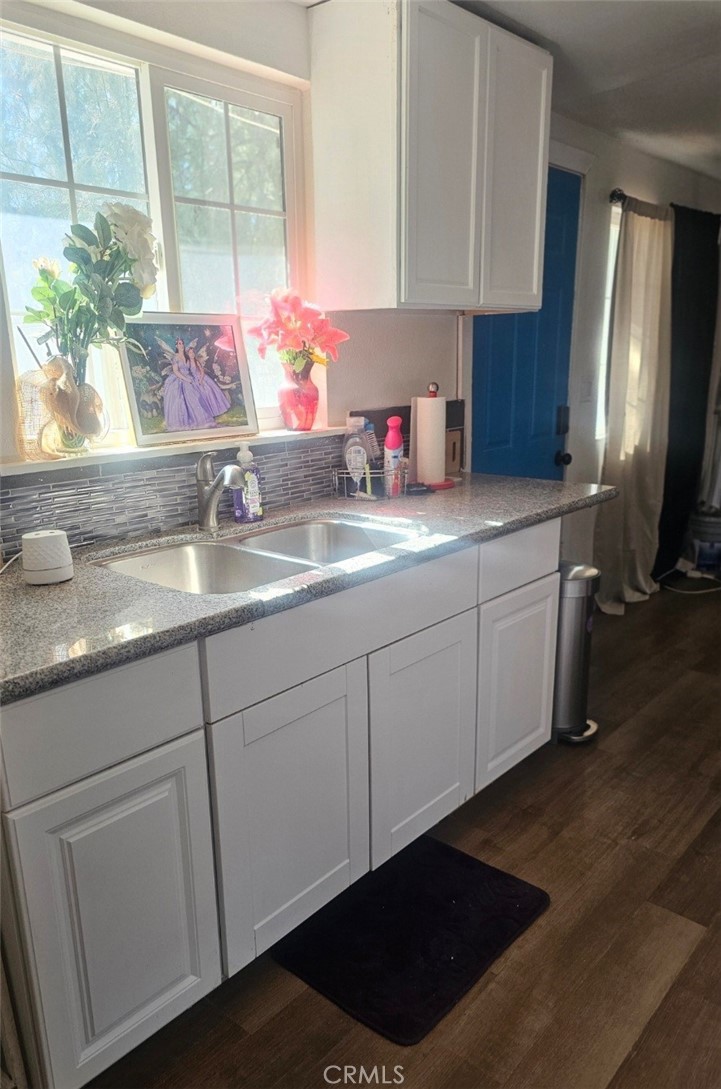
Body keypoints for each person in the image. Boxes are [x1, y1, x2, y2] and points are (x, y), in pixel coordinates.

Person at [162, 338, 215, 431]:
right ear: (176, 346)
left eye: (182, 343)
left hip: (189, 378)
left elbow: (193, 366)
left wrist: (196, 376)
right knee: (180, 400)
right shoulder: (175, 357)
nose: (181, 345)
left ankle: (199, 420)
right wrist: (186, 379)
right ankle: (182, 422)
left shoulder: (187, 356)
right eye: (179, 343)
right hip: (179, 380)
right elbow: (175, 371)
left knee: (195, 398)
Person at [188, 345, 231, 419]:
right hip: (194, 379)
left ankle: (215, 410)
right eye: (190, 353)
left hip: (202, 379)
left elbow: (201, 371)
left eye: (193, 353)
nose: (192, 354)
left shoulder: (196, 362)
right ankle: (205, 412)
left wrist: (201, 379)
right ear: (187, 354)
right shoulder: (187, 363)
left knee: (208, 393)